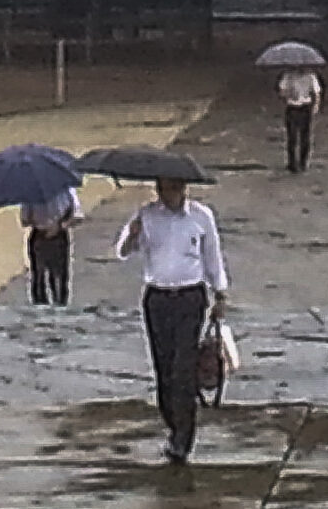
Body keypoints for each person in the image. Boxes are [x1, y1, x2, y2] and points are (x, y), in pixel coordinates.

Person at [115, 177, 228, 464]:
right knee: (163, 367)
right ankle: (172, 422)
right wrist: (133, 234)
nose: (169, 195)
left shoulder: (201, 217)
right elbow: (123, 252)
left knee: (182, 369)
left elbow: (212, 256)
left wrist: (220, 294)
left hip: (190, 296)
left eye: (174, 190)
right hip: (158, 297)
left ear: (183, 190)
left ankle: (183, 436)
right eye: (164, 190)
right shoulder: (146, 215)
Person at [22, 185, 81, 305]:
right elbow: (25, 220)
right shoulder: (31, 193)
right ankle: (46, 310)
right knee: (40, 279)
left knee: (56, 280)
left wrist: (59, 226)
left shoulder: (66, 189)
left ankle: (57, 307)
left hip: (53, 234)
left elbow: (77, 216)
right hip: (43, 235)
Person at [279, 66, 323, 173]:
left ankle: (302, 162)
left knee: (304, 136)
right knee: (293, 136)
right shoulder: (288, 76)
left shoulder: (310, 76)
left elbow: (317, 93)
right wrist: (289, 93)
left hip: (304, 107)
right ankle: (293, 163)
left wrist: (316, 106)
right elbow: (282, 92)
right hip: (294, 107)